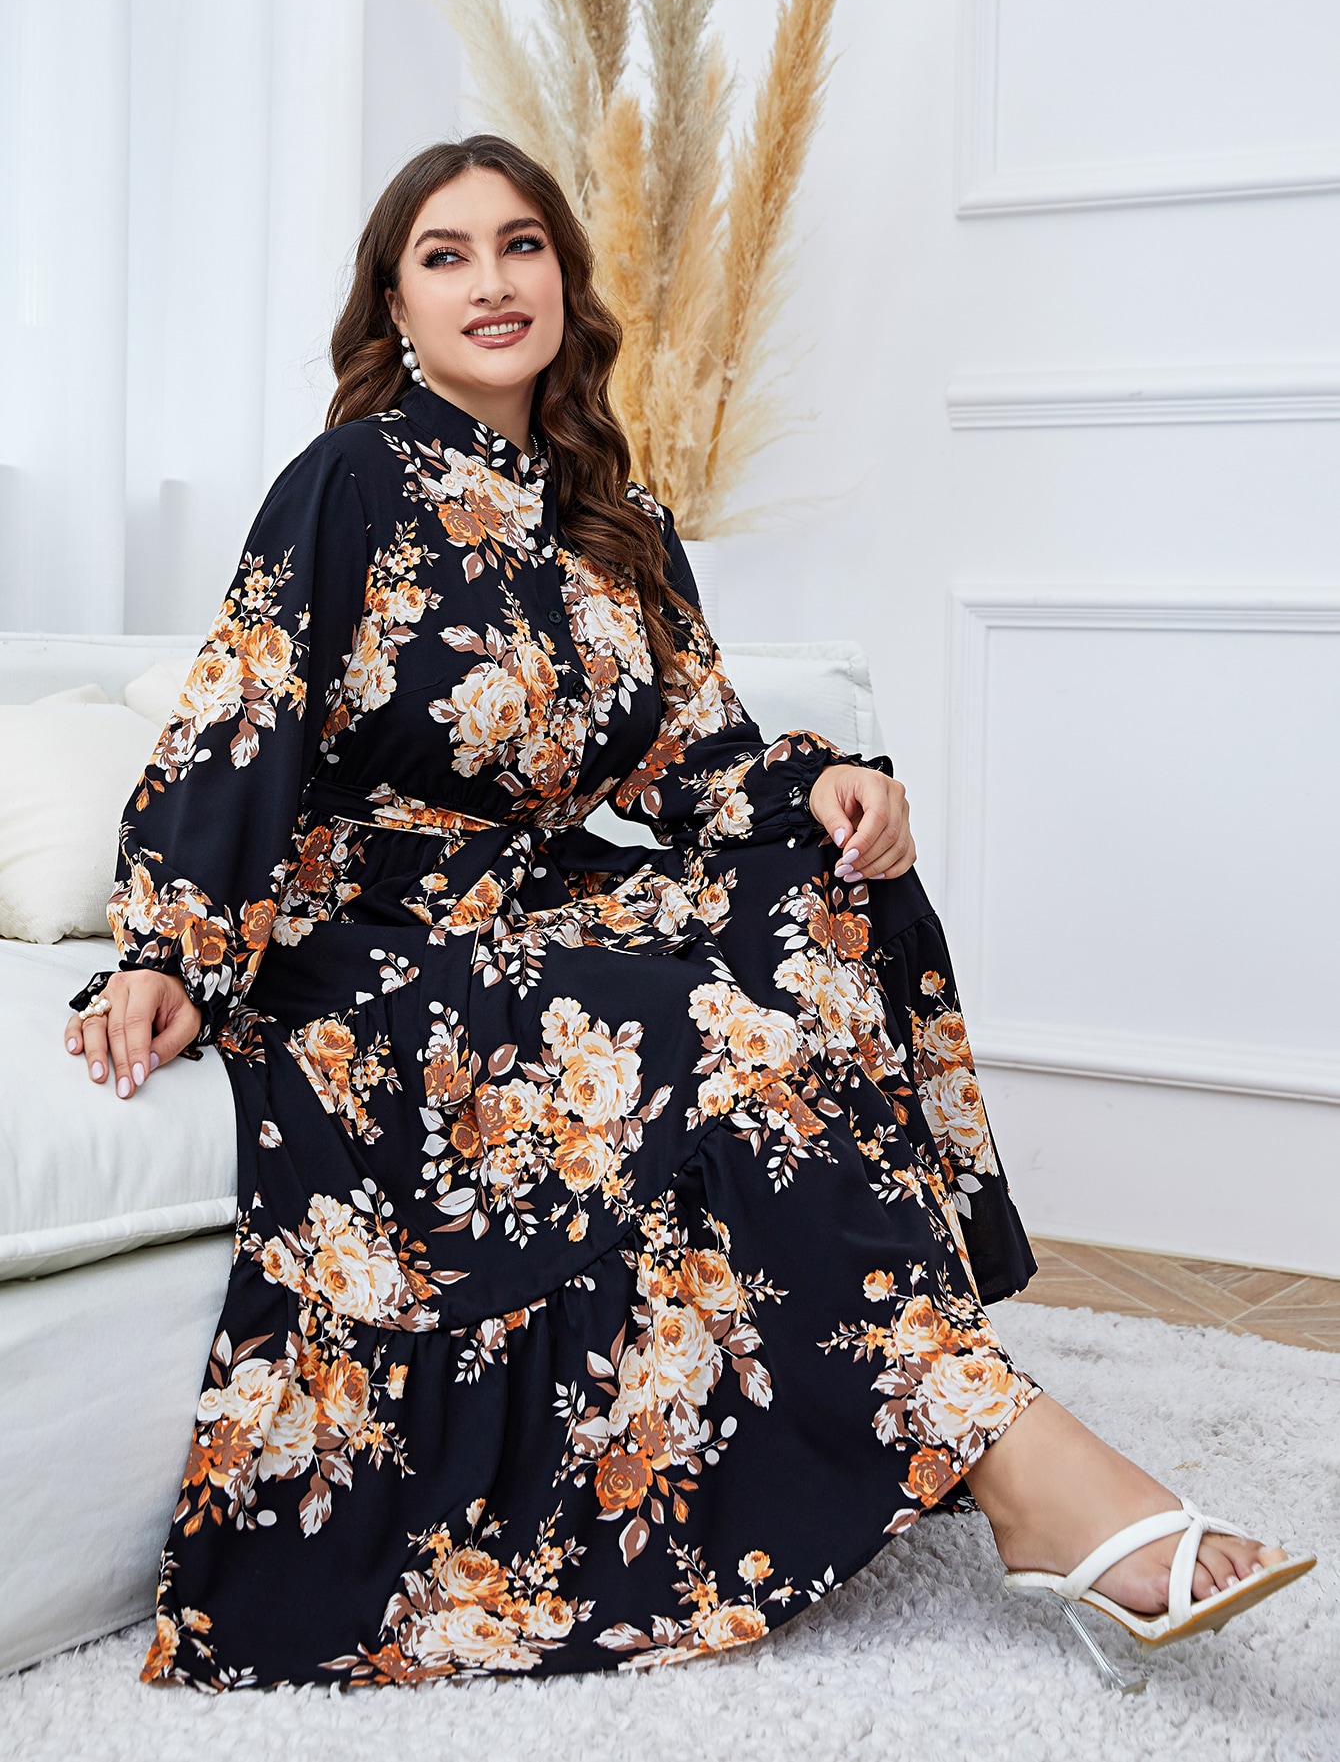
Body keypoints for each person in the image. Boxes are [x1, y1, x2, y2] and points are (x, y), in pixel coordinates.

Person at [66, 137, 1311, 1691]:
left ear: (564, 279)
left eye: (520, 244)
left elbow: (697, 764)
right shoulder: (349, 482)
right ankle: (1028, 1468)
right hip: (372, 943)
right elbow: (239, 720)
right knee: (705, 1020)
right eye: (446, 255)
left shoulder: (618, 513)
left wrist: (833, 785)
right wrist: (169, 953)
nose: (491, 281)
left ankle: (933, 1378)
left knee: (820, 892)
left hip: (533, 907)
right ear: (395, 302)